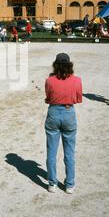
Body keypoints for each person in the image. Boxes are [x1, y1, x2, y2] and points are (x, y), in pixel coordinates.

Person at [45, 53, 83, 194]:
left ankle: (52, 184)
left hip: (53, 113)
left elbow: (48, 98)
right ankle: (69, 185)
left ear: (55, 64)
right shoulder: (77, 80)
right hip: (69, 113)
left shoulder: (49, 80)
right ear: (69, 64)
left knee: (51, 151)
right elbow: (78, 99)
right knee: (69, 152)